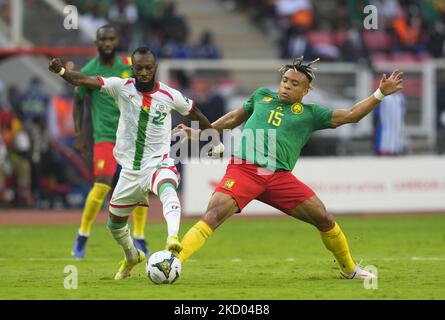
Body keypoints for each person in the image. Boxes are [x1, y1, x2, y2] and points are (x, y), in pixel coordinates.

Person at [175, 57, 403, 280]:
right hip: (244, 170)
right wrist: (199, 133)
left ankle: (349, 268)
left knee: (324, 219)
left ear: (305, 91)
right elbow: (234, 118)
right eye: (285, 80)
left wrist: (379, 93)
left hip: (279, 177)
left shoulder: (311, 114)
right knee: (214, 214)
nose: (286, 86)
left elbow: (352, 115)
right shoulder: (261, 96)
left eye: (294, 84)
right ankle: (173, 262)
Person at [48, 46, 223, 280]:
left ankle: (172, 238)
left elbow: (197, 115)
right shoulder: (121, 87)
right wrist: (61, 71)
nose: (143, 72)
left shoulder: (171, 95)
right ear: (132, 68)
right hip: (130, 171)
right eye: (138, 67)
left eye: (148, 67)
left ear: (155, 68)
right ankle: (132, 255)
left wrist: (214, 139)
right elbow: (84, 80)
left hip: (158, 163)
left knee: (168, 187)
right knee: (114, 224)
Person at [71, 25, 148, 259]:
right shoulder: (89, 69)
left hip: (132, 136)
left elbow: (147, 89)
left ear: (117, 41)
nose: (107, 43)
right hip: (104, 137)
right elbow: (78, 101)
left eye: (111, 39)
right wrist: (79, 135)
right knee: (102, 184)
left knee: (140, 187)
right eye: (102, 39)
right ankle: (82, 235)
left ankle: (140, 237)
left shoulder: (129, 64)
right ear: (96, 42)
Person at [373, 91, 406, 156]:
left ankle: (393, 149)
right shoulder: (382, 97)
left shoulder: (400, 97)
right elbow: (376, 115)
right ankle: (386, 150)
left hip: (395, 129)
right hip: (383, 127)